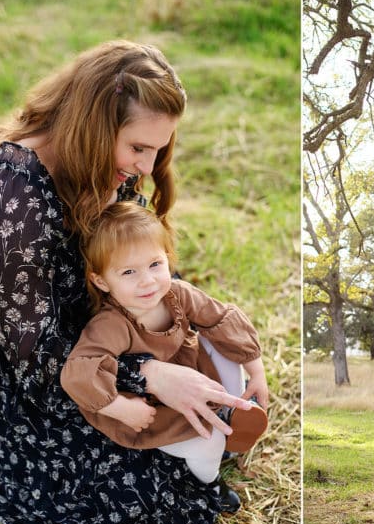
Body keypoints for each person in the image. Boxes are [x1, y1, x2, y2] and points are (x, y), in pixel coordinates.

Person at [0, 40, 257, 524]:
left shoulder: (101, 167)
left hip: (99, 329)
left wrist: (207, 344)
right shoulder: (6, 203)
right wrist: (149, 373)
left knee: (206, 386)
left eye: (158, 149)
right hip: (29, 375)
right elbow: (37, 368)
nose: (147, 168)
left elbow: (133, 266)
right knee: (129, 490)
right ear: (95, 127)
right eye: (138, 148)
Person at [60, 202, 268, 489]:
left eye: (155, 265)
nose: (147, 281)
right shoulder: (112, 324)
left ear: (168, 259)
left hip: (193, 372)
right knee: (209, 443)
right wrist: (122, 409)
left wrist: (256, 373)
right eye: (128, 272)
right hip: (158, 408)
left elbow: (222, 319)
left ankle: (235, 406)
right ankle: (209, 484)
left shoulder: (176, 294)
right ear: (101, 281)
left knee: (218, 339)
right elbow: (79, 373)